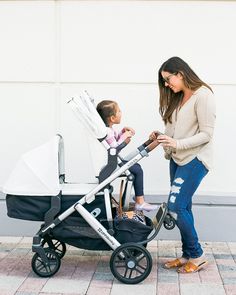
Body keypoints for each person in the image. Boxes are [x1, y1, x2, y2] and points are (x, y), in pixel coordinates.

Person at [150, 56, 216, 273]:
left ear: (180, 73)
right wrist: (161, 137)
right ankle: (188, 254)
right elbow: (174, 131)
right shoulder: (177, 97)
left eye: (169, 79)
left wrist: (177, 143)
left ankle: (197, 255)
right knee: (183, 206)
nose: (167, 85)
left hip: (196, 159)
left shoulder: (203, 95)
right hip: (178, 159)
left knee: (175, 206)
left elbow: (206, 134)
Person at [97, 99, 158, 212]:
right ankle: (140, 202)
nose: (121, 112)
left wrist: (122, 132)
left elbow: (113, 142)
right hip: (111, 165)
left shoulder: (109, 130)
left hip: (113, 162)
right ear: (112, 118)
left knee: (135, 170)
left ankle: (136, 201)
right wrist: (124, 137)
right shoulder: (107, 131)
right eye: (119, 111)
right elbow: (114, 148)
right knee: (136, 169)